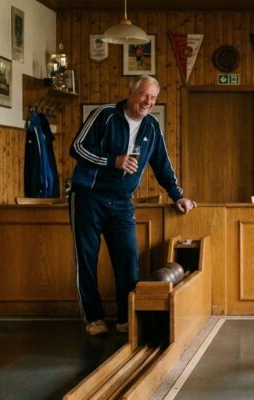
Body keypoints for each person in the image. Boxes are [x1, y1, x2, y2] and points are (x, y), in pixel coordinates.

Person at [69, 75, 196, 336]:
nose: (148, 102)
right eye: (143, 95)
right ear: (130, 93)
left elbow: (163, 165)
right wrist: (112, 161)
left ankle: (126, 319)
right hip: (87, 197)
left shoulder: (151, 126)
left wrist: (178, 196)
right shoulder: (103, 114)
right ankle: (94, 319)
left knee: (128, 260)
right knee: (87, 259)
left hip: (121, 202)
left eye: (153, 98)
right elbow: (77, 147)